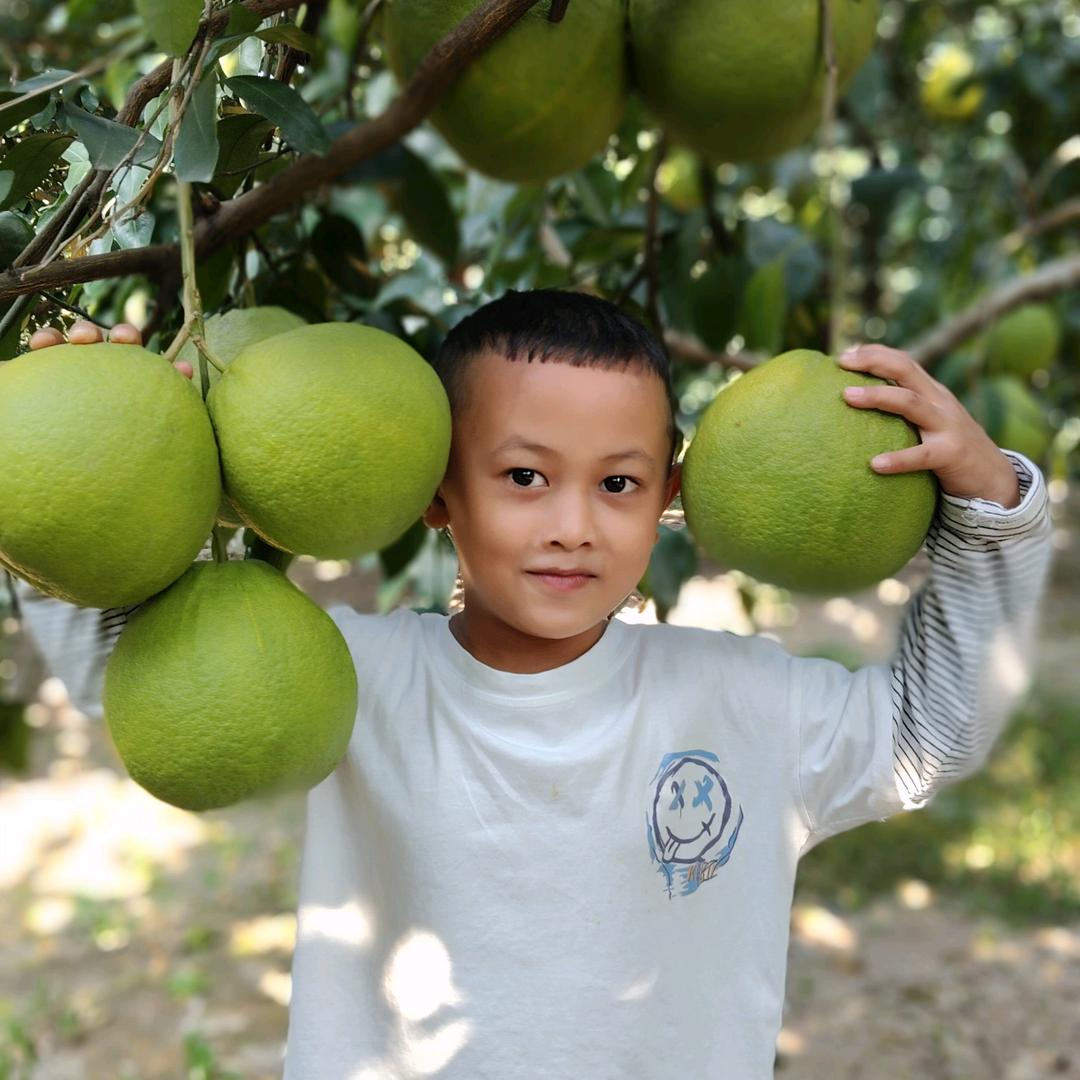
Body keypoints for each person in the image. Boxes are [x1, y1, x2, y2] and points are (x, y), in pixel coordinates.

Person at [18, 289, 1053, 1078]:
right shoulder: (350, 677)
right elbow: (139, 678)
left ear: (670, 500)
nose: (573, 523)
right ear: (436, 494)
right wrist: (88, 457)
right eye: (523, 477)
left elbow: (930, 732)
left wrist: (994, 507)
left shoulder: (736, 702)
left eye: (617, 483)